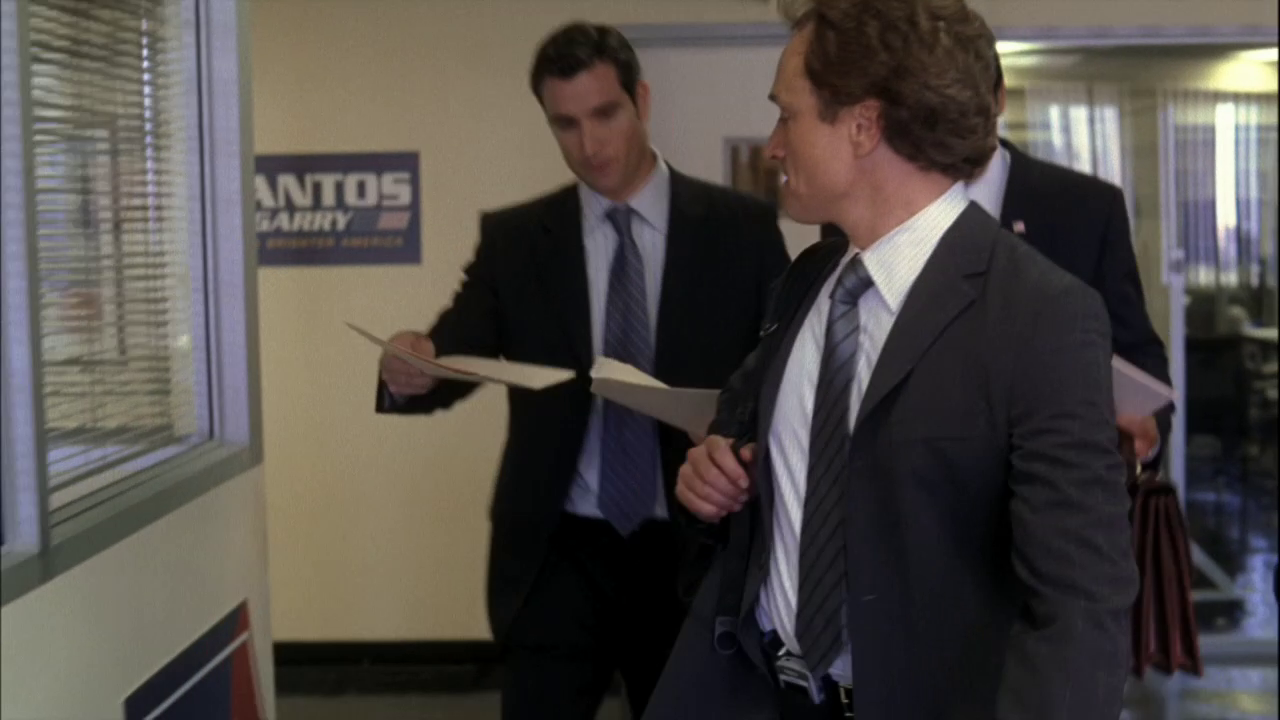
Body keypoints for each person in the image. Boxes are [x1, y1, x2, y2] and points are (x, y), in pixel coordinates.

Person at [645, 1, 1139, 718]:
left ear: (864, 125)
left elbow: (1080, 606)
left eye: (788, 115)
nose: (774, 145)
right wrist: (714, 476)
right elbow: (748, 450)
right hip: (759, 694)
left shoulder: (1041, 315)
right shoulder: (808, 279)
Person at [375, 21, 790, 720]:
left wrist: (740, 442)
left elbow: (782, 374)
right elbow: (447, 356)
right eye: (565, 124)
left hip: (692, 547)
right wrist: (407, 365)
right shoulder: (517, 240)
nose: (590, 144)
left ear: (641, 101)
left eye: (605, 114)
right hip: (558, 552)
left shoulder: (741, 228)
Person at [822, 48, 1172, 467]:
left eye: (962, 101)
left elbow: (1138, 356)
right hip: (905, 482)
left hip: (1053, 477)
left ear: (999, 97)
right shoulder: (859, 209)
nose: (950, 120)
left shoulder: (1086, 208)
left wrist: (1147, 431)